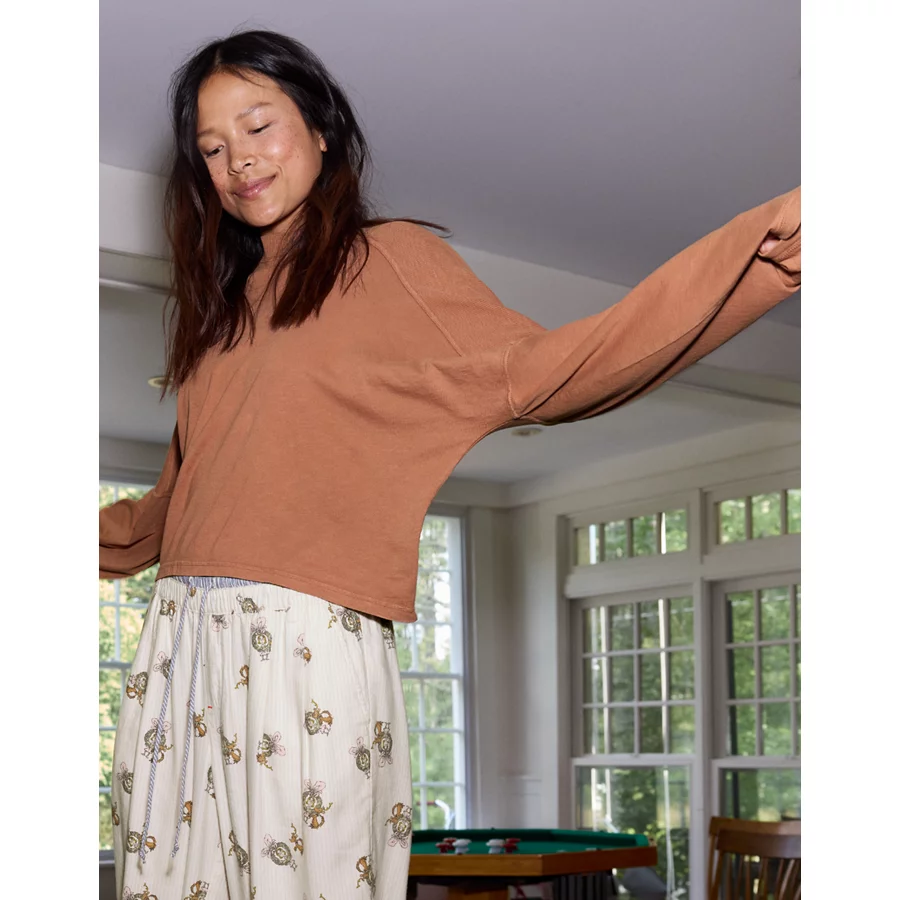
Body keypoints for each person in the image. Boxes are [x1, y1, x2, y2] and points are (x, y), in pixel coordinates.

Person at [100, 28, 800, 900]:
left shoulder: (388, 262)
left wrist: (750, 261)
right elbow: (171, 509)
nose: (237, 160)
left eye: (258, 125)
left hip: (301, 640)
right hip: (180, 645)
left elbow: (552, 372)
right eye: (211, 148)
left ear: (321, 129)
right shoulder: (220, 316)